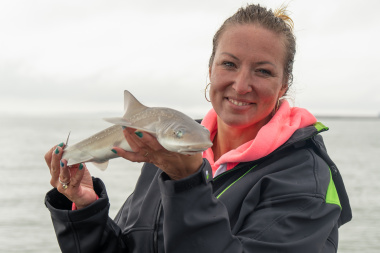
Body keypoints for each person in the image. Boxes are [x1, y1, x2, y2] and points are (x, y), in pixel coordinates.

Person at [44, 4, 352, 253]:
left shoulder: (305, 180)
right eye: (229, 64)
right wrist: (86, 211)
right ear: (210, 69)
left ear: (284, 84)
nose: (241, 85)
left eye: (263, 71)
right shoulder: (169, 150)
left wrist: (187, 184)